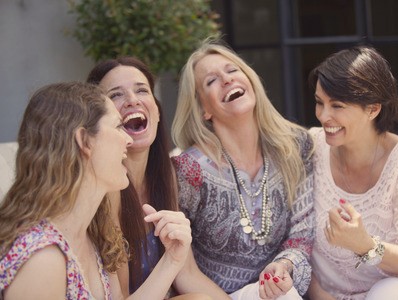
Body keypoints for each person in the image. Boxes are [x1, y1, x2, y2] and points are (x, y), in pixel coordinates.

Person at [0, 82, 194, 299]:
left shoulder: (94, 232)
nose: (128, 140)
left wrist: (172, 260)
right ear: (84, 141)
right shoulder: (42, 260)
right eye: (118, 127)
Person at [171, 39, 315, 300]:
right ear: (204, 109)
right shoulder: (189, 169)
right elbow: (178, 262)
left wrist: (283, 267)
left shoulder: (295, 146)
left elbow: (302, 234)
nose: (227, 80)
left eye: (232, 70)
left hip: (278, 292)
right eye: (211, 81)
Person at [307, 46, 398, 299]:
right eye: (319, 102)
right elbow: (295, 234)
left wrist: (365, 245)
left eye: (337, 105)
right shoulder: (312, 147)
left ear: (373, 109)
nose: (323, 116)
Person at [87, 57, 230, 299]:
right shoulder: (105, 191)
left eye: (142, 90)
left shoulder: (167, 175)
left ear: (157, 111)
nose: (133, 100)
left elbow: (188, 275)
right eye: (116, 95)